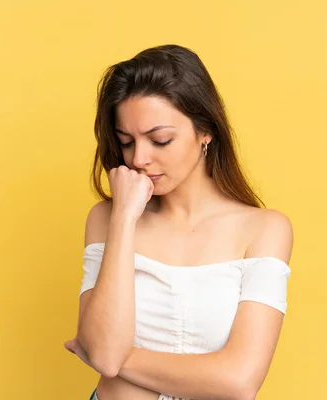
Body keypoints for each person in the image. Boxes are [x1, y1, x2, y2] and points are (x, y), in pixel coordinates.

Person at [64, 44, 294, 400]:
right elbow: (102, 347)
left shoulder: (264, 230)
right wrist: (125, 217)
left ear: (205, 132)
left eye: (160, 140)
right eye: (126, 142)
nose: (139, 158)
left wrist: (115, 358)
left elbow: (239, 382)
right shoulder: (106, 218)